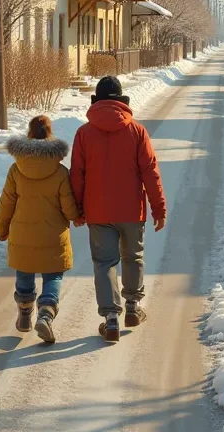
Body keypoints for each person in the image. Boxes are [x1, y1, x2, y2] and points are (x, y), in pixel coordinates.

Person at [70, 76, 166, 342]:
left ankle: (111, 318)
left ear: (97, 101)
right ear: (122, 101)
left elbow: (77, 175)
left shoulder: (84, 133)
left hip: (98, 212)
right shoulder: (137, 132)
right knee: (132, 257)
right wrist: (158, 209)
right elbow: (151, 173)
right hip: (131, 211)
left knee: (104, 263)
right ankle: (133, 308)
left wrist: (77, 209)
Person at [0, 115, 79, 344]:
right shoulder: (60, 171)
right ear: (50, 134)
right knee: (53, 274)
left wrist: (1, 228)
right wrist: (77, 217)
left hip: (22, 234)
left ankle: (24, 310)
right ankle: (46, 313)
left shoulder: (16, 169)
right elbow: (68, 206)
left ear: (29, 134)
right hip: (53, 234)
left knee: (25, 269)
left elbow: (7, 203)